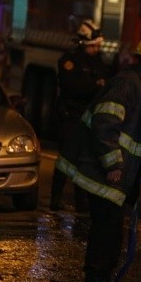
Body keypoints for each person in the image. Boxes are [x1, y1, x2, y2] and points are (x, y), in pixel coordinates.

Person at [56, 34, 141, 282]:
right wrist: (113, 164)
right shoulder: (128, 84)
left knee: (111, 231)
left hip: (120, 177)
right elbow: (104, 124)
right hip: (105, 174)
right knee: (106, 232)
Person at [50, 19, 112, 212]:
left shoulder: (97, 61)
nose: (96, 49)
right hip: (71, 116)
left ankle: (81, 201)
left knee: (83, 161)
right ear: (85, 43)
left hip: (88, 118)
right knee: (66, 160)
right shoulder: (69, 61)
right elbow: (71, 87)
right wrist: (95, 86)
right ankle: (56, 198)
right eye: (94, 46)